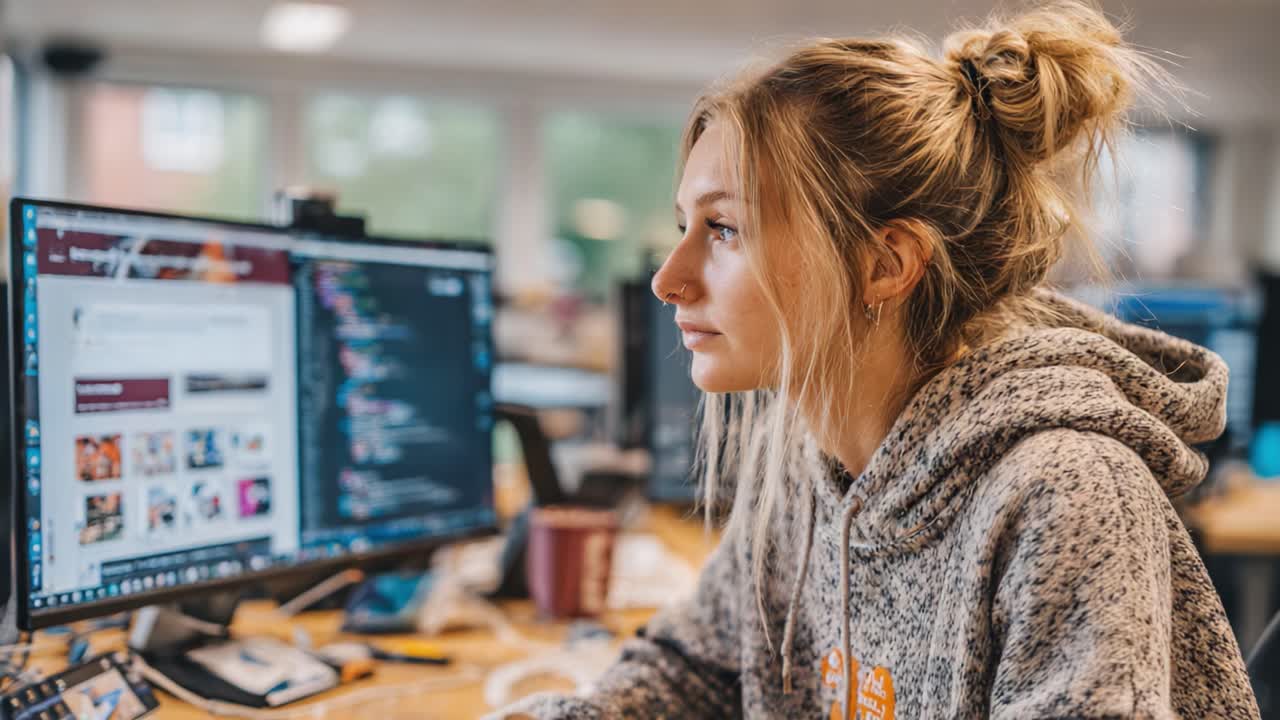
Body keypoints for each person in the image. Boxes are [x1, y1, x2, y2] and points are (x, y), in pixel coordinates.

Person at [494, 1, 1259, 717]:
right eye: (685, 225)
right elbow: (696, 667)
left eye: (724, 228)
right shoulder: (807, 466)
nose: (669, 278)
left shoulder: (1066, 497)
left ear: (884, 265)